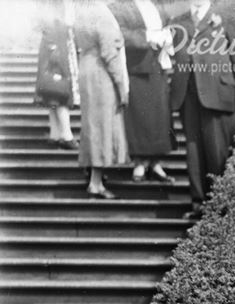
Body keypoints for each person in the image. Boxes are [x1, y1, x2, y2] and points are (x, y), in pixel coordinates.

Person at [168, 0, 235, 217]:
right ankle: (199, 203)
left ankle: (221, 205)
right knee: (193, 151)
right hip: (188, 93)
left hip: (216, 92)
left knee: (217, 149)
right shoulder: (178, 22)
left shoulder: (226, 16)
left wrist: (224, 81)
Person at [109, 0, 174, 184]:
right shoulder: (119, 6)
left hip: (158, 67)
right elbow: (120, 33)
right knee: (140, 117)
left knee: (159, 117)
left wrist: (168, 37)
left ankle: (155, 163)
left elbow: (170, 28)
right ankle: (139, 162)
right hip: (136, 68)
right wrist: (147, 37)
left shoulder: (158, 6)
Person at [74, 0, 130, 199]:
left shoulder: (82, 12)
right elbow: (109, 53)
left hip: (88, 69)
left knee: (92, 125)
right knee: (102, 126)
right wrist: (121, 86)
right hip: (101, 74)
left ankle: (93, 175)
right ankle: (95, 183)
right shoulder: (101, 14)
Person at [34, 0, 80, 150]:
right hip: (56, 46)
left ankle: (55, 134)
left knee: (53, 91)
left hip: (55, 45)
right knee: (59, 90)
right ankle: (66, 136)